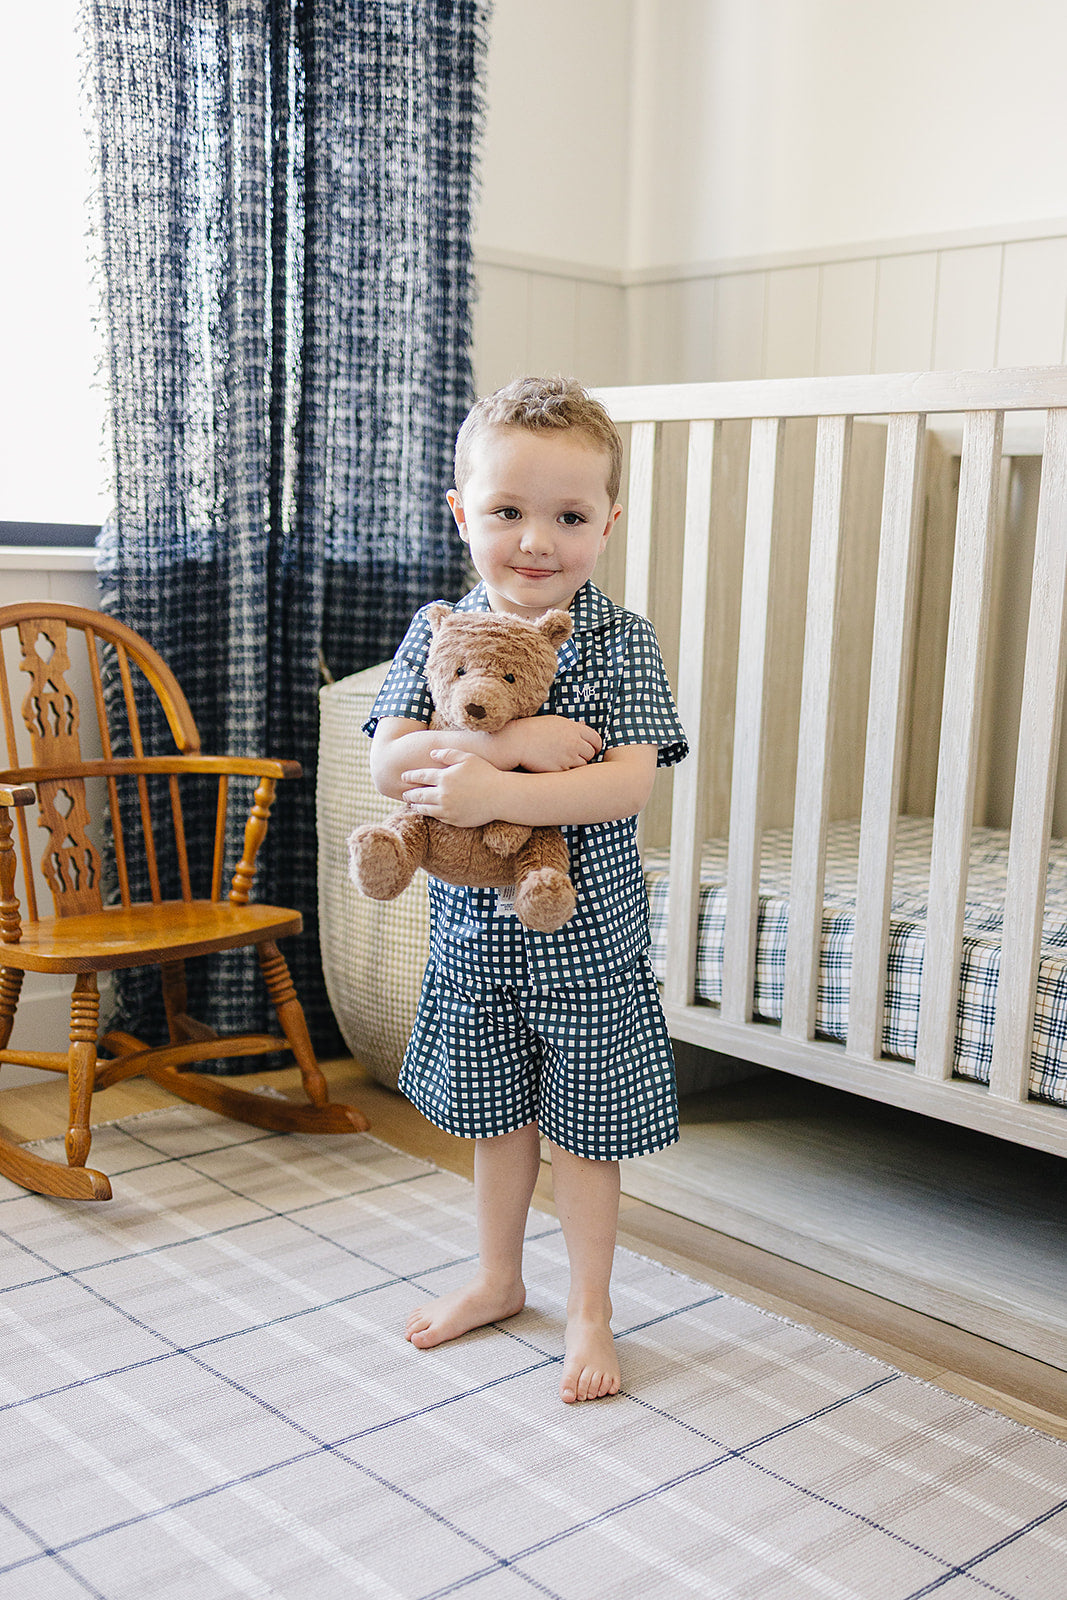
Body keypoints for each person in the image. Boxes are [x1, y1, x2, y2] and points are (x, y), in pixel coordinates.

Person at [363, 375, 687, 1404]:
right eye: (507, 512)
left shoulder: (617, 638)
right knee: (496, 1122)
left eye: (567, 516)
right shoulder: (437, 629)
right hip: (474, 941)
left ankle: (588, 1303)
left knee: (584, 1134)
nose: (534, 540)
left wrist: (498, 778)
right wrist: (503, 739)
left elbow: (628, 780)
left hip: (585, 942)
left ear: (606, 523)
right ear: (462, 513)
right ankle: (499, 1276)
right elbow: (387, 761)